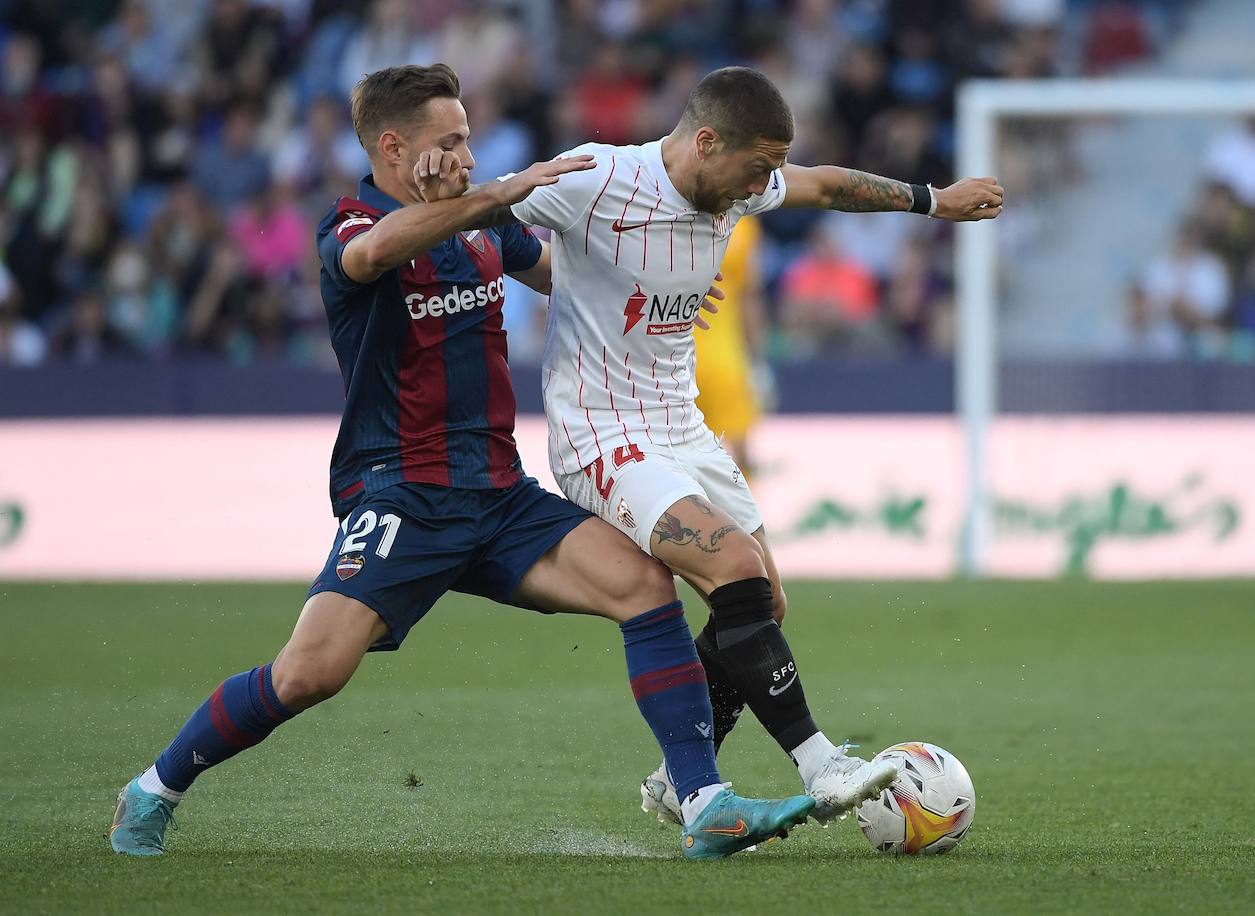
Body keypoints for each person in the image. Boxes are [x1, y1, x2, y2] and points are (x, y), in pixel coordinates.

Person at [108, 64, 813, 861]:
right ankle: (152, 790)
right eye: (450, 142)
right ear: (392, 146)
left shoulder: (483, 227)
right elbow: (378, 251)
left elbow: (562, 274)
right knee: (309, 674)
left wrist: (649, 285)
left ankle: (704, 802)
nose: (470, 157)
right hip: (404, 499)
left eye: (471, 139)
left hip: (500, 495)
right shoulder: (348, 225)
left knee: (644, 586)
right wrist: (493, 196)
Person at [498, 66, 1003, 825]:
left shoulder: (739, 185)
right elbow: (486, 212)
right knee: (732, 567)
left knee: (763, 598)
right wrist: (538, 265)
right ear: (706, 141)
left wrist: (933, 201)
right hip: (601, 432)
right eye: (758, 166)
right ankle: (821, 762)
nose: (764, 185)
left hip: (682, 424)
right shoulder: (597, 177)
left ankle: (679, 777)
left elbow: (826, 185)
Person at [693, 214, 767, 476]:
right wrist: (758, 362)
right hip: (727, 357)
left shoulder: (665, 215)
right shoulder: (743, 227)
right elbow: (750, 297)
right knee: (741, 457)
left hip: (672, 357)